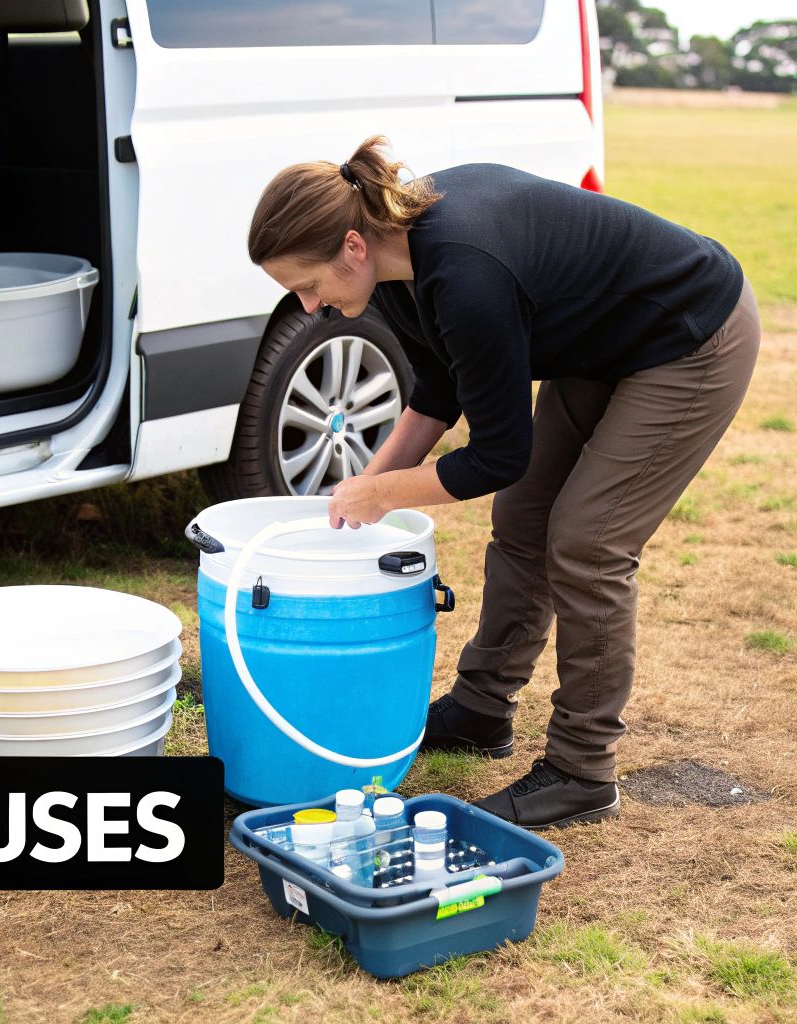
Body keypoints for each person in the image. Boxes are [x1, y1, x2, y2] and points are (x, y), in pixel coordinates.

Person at [246, 136, 760, 830]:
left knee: (588, 540)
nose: (308, 307)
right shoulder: (395, 261)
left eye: (308, 285)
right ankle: (482, 709)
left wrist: (385, 496)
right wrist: (366, 483)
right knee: (524, 521)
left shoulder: (463, 270)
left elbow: (496, 457)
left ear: (352, 247)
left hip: (689, 335)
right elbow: (437, 389)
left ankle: (583, 771)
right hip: (601, 343)